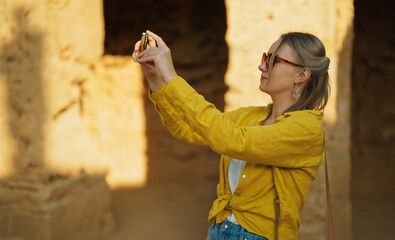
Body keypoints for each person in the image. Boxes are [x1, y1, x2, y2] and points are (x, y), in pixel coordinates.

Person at [132, 30, 330, 240]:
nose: (262, 66)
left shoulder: (307, 129)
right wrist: (155, 78)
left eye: (274, 60)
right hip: (219, 230)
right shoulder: (251, 116)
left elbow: (230, 140)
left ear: (302, 75)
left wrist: (171, 77)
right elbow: (186, 129)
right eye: (265, 57)